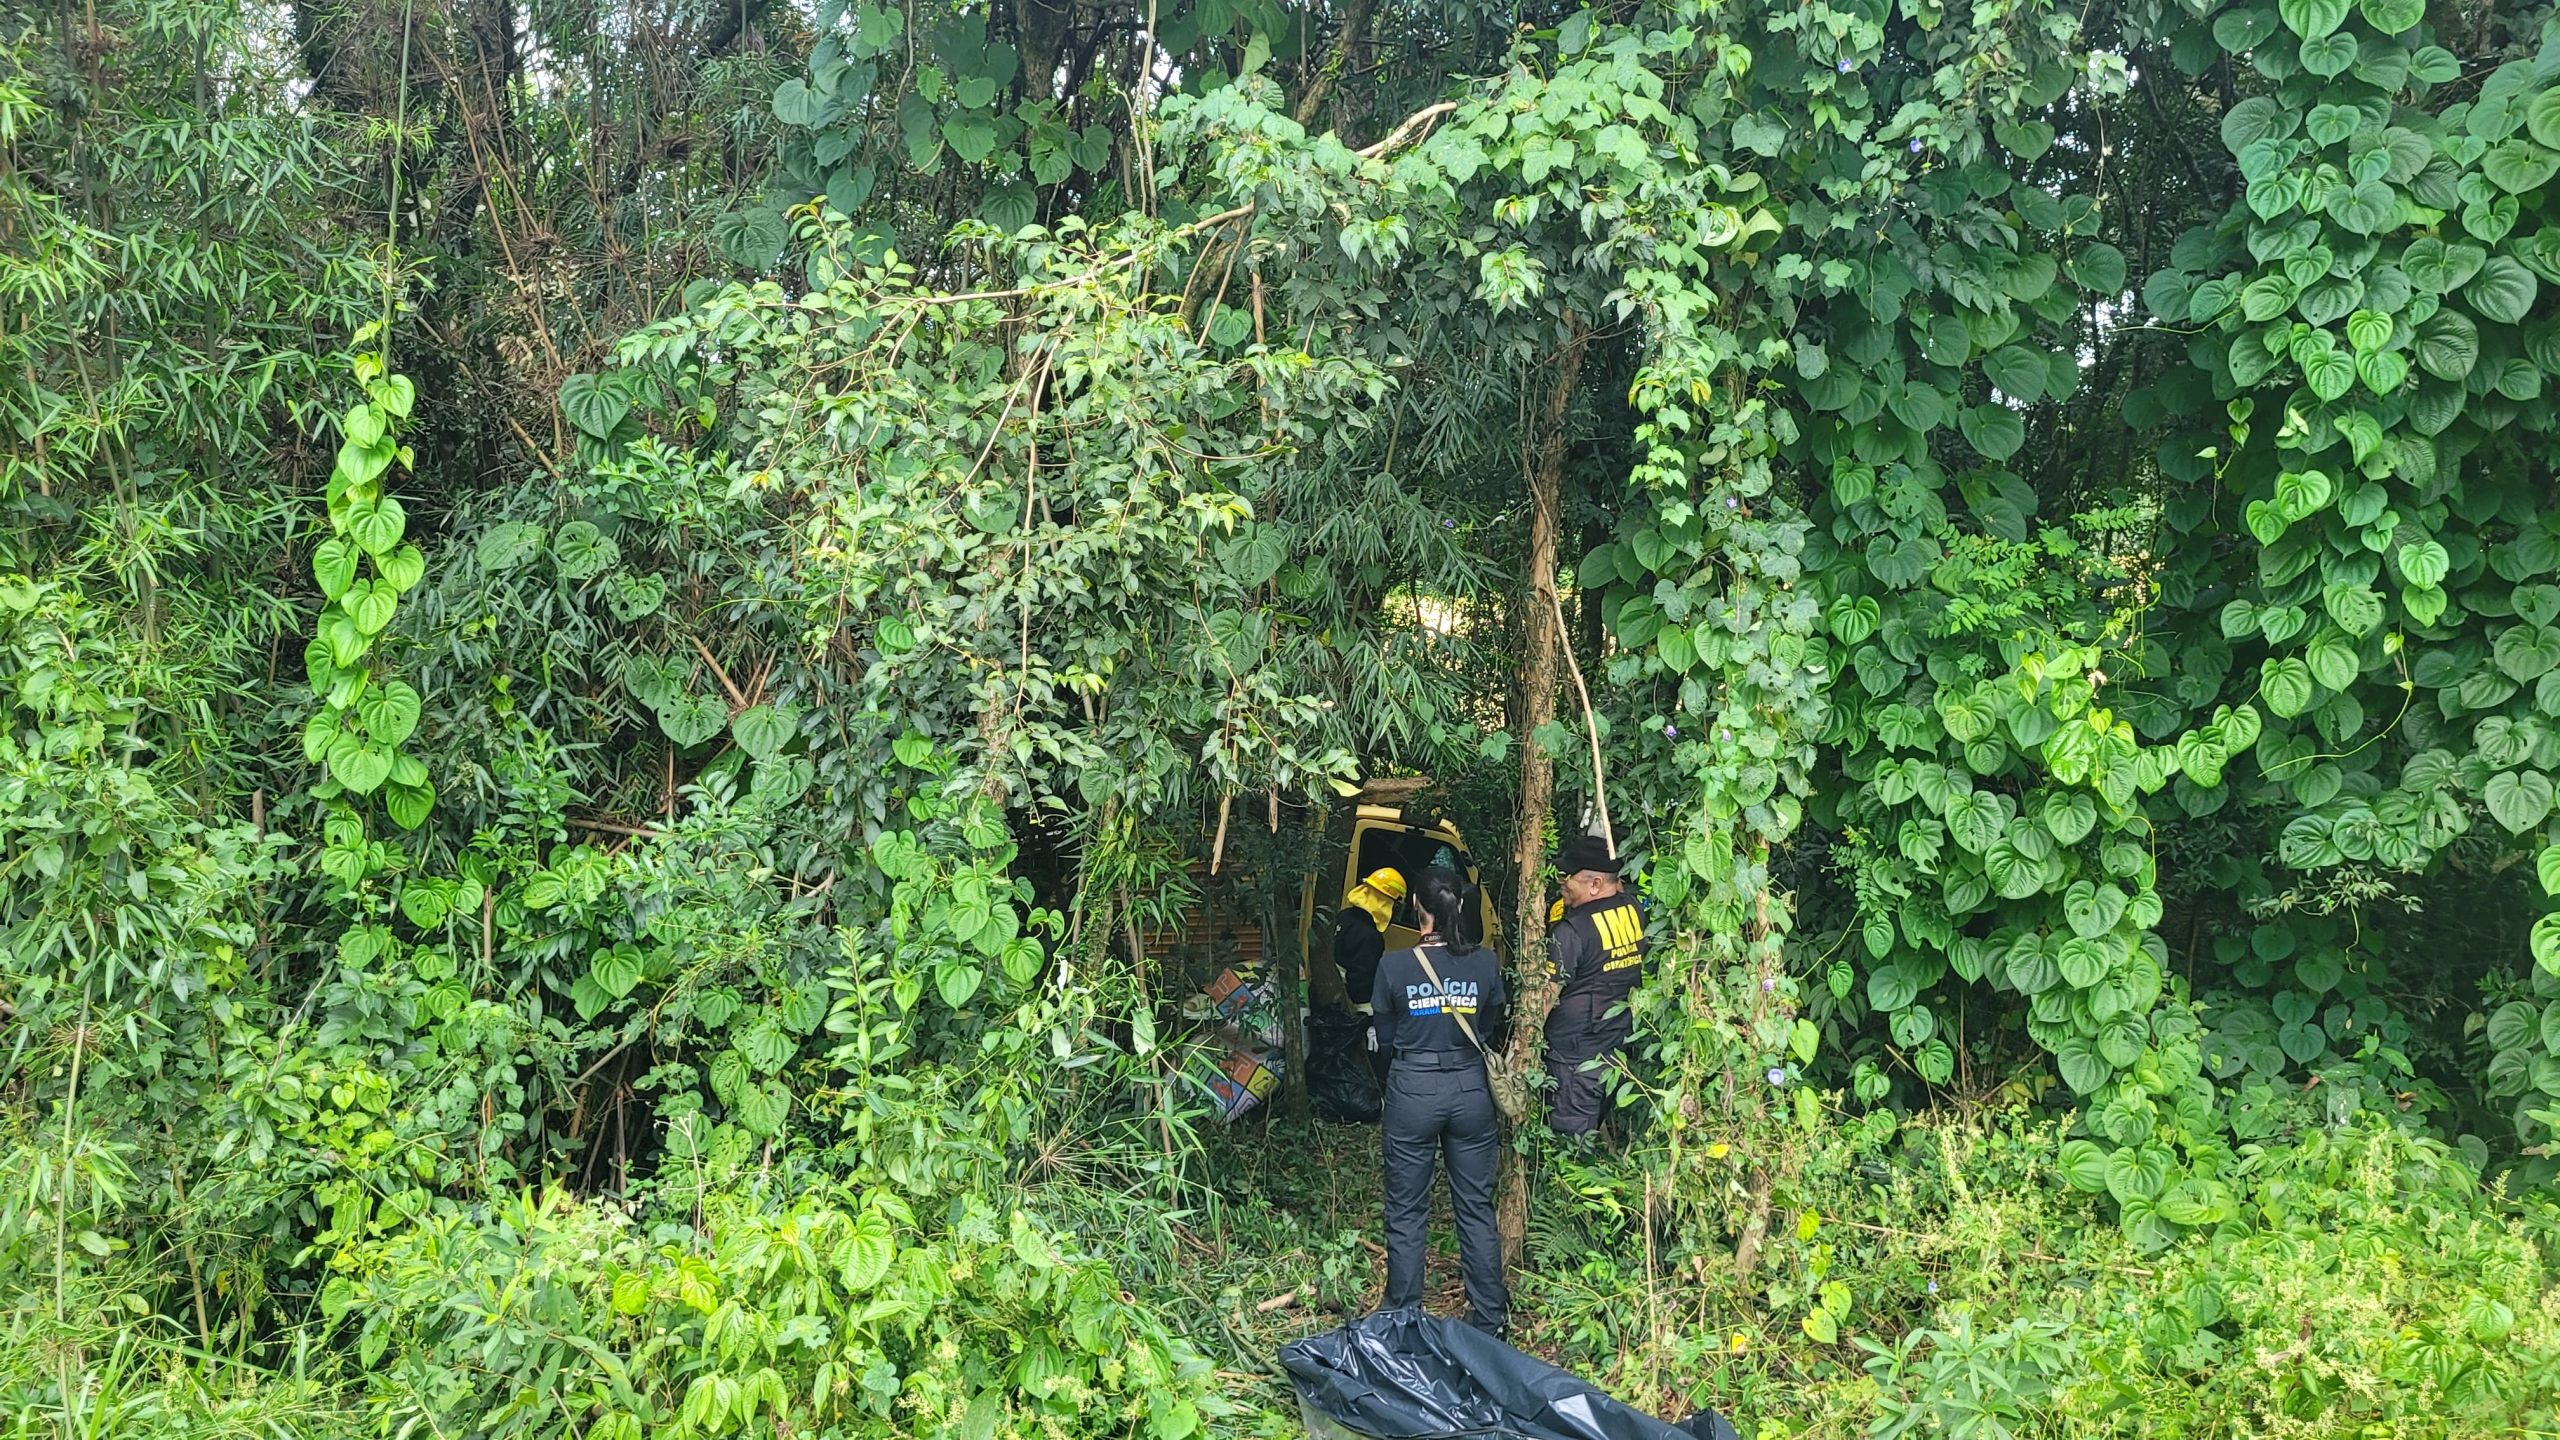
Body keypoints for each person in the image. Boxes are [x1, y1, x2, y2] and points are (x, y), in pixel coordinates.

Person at [1370, 867, 1508, 1337]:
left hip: (1412, 1089)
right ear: (1460, 907)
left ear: (1415, 906)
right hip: (1470, 1090)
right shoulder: (1486, 963)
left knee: (1407, 1209)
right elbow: (1490, 1023)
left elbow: (1385, 1040)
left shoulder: (1394, 966)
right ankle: (1489, 1318)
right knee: (1475, 1205)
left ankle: (1402, 1317)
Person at [1544, 834, 1645, 1137]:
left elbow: (1547, 996)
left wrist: (1520, 1047)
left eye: (1568, 877)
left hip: (1574, 1057)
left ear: (1595, 884)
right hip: (1616, 1047)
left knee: (1569, 1142)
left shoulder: (1572, 931)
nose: (1562, 883)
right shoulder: (1634, 910)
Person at [1334, 868, 1404, 1009]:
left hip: (1333, 993)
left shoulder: (1344, 916)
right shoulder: (1369, 935)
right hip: (1352, 1001)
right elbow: (1362, 984)